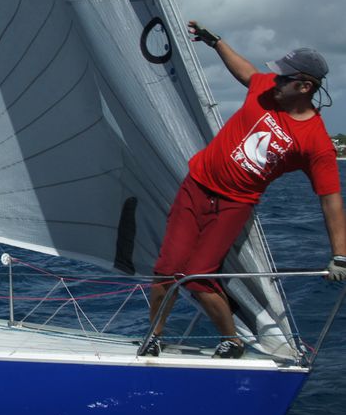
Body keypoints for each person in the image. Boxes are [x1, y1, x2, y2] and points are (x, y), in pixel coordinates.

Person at [146, 21, 346, 359]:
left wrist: (340, 254)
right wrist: (215, 42)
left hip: (234, 205)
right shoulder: (266, 88)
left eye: (284, 77)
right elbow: (247, 72)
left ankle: (232, 340)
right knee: (166, 270)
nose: (275, 80)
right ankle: (153, 336)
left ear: (304, 86)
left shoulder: (316, 143)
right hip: (195, 187)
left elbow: (330, 200)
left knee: (197, 277)